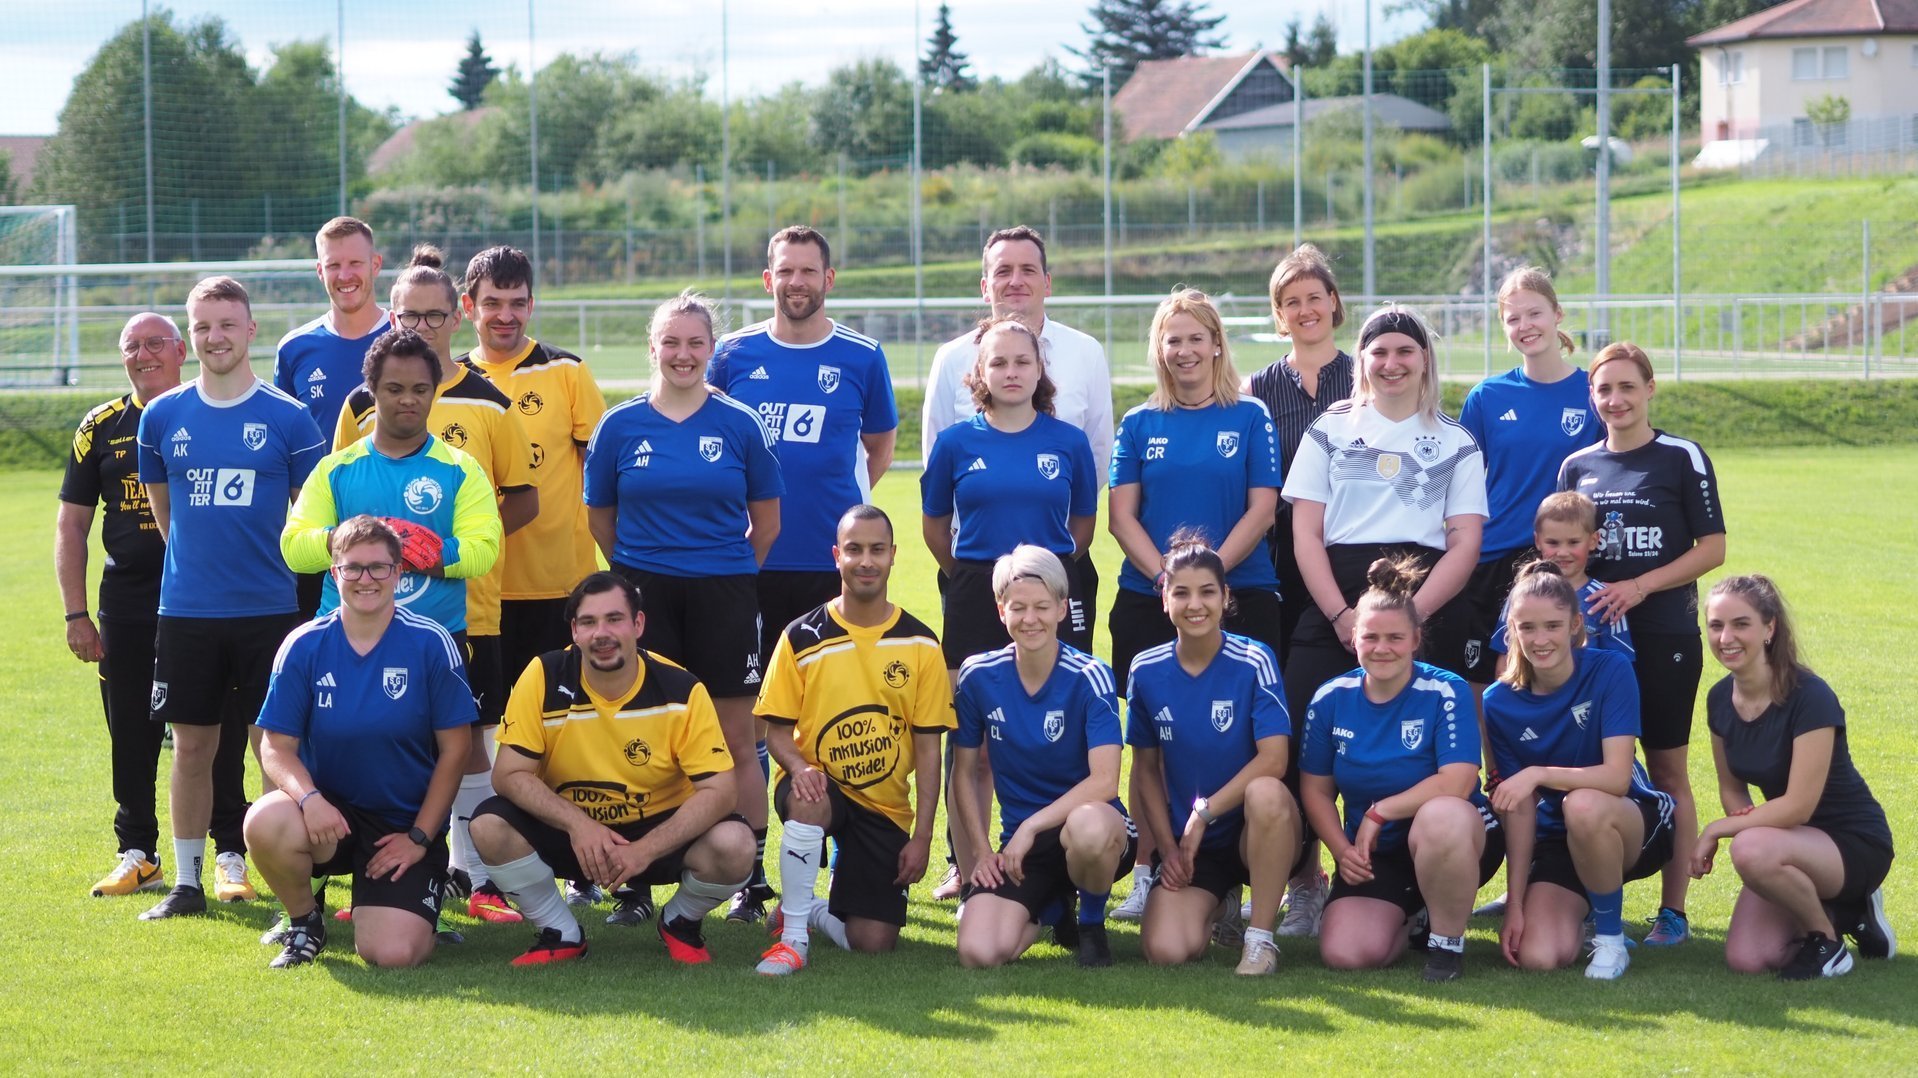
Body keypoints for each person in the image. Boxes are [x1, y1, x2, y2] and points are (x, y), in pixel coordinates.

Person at [334, 245, 539, 920]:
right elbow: (344, 505)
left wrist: (451, 552)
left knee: (471, 737)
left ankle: (472, 875)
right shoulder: (363, 402)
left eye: (435, 316)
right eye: (410, 315)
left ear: (458, 317)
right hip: (373, 616)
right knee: (389, 733)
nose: (422, 328)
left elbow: (521, 497)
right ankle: (384, 872)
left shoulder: (489, 400)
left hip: (467, 611)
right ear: (392, 316)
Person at [1278, 304, 1487, 940]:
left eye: (1405, 351)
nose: (1392, 364)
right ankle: (1307, 884)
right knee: (1298, 754)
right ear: (1361, 362)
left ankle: (1425, 887)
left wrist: (1407, 620)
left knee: (1426, 756)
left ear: (1425, 359)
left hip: (1423, 605)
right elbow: (1305, 533)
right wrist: (1344, 616)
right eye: (1379, 353)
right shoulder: (1329, 431)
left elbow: (1465, 544)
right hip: (1334, 603)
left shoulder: (1455, 441)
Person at [708, 225, 898, 922]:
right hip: (747, 565)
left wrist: (835, 516)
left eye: (808, 271)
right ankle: (751, 875)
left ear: (829, 278)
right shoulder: (732, 355)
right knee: (750, 723)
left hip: (832, 572)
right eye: (784, 271)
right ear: (768, 280)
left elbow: (876, 447)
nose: (796, 282)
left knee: (840, 720)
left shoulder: (861, 356)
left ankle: (851, 866)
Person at [584, 290, 782, 922]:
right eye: (671, 342)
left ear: (711, 350)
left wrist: (724, 574)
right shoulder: (620, 425)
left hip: (724, 590)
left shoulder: (738, 423)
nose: (684, 354)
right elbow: (601, 517)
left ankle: (750, 879)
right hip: (644, 594)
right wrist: (640, 574)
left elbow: (766, 522)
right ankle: (635, 880)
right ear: (653, 348)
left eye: (696, 343)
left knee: (735, 735)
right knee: (646, 733)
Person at [136, 276, 327, 920]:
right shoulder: (162, 417)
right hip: (187, 611)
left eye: (227, 324)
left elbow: (310, 516)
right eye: (203, 327)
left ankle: (287, 888)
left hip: (270, 613)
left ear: (251, 331)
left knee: (271, 748)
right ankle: (188, 881)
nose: (215, 337)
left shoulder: (289, 419)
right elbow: (169, 520)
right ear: (191, 339)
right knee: (192, 747)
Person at [468, 572, 756, 966]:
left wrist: (645, 851)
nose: (601, 633)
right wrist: (579, 825)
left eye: (614, 619)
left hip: (657, 830)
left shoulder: (681, 689)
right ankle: (560, 932)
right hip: (574, 833)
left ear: (638, 624)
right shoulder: (544, 675)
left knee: (736, 845)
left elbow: (722, 790)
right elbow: (508, 774)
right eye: (588, 622)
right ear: (574, 630)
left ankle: (680, 921)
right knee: (488, 825)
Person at [1108, 289, 1284, 928]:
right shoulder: (1139, 423)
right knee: (1149, 743)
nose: (1184, 350)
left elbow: (1262, 509)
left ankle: (1235, 875)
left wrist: (1205, 582)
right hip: (1147, 595)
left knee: (1241, 741)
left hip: (1243, 592)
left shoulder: (1250, 416)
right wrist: (1169, 582)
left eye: (1194, 337)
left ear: (1216, 343)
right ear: (1159, 348)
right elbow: (1120, 515)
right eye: (1171, 339)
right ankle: (1149, 870)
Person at [245, 516, 474, 968]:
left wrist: (419, 838)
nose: (365, 579)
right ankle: (305, 921)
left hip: (401, 824)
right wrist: (309, 799)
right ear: (335, 574)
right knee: (264, 819)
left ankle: (415, 902)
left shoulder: (431, 643)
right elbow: (275, 746)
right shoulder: (303, 645)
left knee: (390, 954)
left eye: (378, 568)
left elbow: (457, 751)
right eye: (353, 568)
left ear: (399, 573)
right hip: (328, 818)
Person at [58, 312, 233, 897]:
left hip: (207, 599)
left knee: (220, 727)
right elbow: (72, 525)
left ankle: (229, 851)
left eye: (156, 343)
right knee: (130, 729)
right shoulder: (100, 425)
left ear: (181, 349)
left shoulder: (211, 413)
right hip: (129, 605)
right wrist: (76, 614)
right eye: (132, 346)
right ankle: (138, 850)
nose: (144, 354)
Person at [923, 319, 1099, 894]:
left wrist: (1043, 586)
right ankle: (969, 861)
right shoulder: (955, 443)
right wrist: (978, 581)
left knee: (1055, 729)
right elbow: (933, 526)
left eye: (1022, 362)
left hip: (1047, 595)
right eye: (998, 363)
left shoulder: (1067, 441)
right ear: (980, 373)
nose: (1011, 372)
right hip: (976, 593)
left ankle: (1052, 858)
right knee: (972, 738)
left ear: (1039, 368)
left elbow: (1083, 525)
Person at [1558, 341, 1726, 947]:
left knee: (1665, 768)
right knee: (1586, 768)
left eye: (1628, 387)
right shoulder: (1577, 465)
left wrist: (1638, 586)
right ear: (1592, 397)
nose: (1616, 399)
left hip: (1664, 636)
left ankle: (1672, 911)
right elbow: (1563, 546)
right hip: (1593, 643)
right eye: (1604, 390)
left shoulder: (1680, 456)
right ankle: (1577, 895)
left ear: (1649, 389)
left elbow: (1712, 549)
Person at [753, 505, 952, 976]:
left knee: (873, 942)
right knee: (811, 797)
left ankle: (807, 911)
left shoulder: (921, 644)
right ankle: (793, 941)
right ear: (837, 555)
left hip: (884, 805)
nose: (867, 561)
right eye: (856, 550)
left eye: (877, 550)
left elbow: (929, 751)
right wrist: (800, 768)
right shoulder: (801, 636)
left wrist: (922, 837)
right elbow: (776, 733)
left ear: (893, 556)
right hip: (816, 786)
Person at [1300, 556, 1503, 982]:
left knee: (1440, 814)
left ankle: (1446, 945)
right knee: (1348, 953)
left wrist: (1380, 811)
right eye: (1371, 636)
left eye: (1395, 637)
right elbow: (1315, 791)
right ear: (1353, 638)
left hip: (1454, 837)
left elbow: (1459, 780)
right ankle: (1413, 913)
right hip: (1378, 853)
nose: (1382, 647)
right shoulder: (1330, 698)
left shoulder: (1445, 689)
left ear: (1415, 639)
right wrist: (1341, 850)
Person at [1239, 242, 1356, 937]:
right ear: (1278, 316)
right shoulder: (1257, 389)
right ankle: (1304, 881)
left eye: (1316, 298)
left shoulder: (1366, 373)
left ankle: (1369, 871)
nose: (1306, 311)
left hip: (1358, 568)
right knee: (1295, 724)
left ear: (1334, 303)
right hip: (1282, 572)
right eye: (1291, 303)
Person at [1693, 575, 1895, 980]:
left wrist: (1721, 828)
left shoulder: (1810, 695)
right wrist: (1745, 819)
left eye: (1740, 624)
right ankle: (1847, 912)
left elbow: (1799, 804)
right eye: (1716, 626)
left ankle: (1827, 941)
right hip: (1786, 838)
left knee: (1749, 849)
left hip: (1850, 840)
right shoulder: (1719, 698)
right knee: (1748, 958)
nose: (1725, 637)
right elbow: (1732, 786)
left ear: (1769, 628)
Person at [1482, 562, 1674, 980]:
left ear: (1575, 624)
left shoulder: (1610, 670)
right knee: (1539, 956)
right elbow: (1519, 809)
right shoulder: (1497, 701)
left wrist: (1537, 773)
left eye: (1552, 626)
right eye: (1526, 627)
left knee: (1583, 805)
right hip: (1558, 839)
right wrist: (1515, 905)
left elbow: (1617, 778)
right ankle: (1585, 910)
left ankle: (1609, 939)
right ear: (1511, 630)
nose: (1539, 639)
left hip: (1632, 820)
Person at [923, 225, 1114, 640]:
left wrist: (1053, 563)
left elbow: (1097, 459)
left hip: (1057, 565)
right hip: (975, 567)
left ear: (1047, 282)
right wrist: (970, 570)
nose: (1015, 280)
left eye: (1028, 269)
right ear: (984, 285)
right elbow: (936, 458)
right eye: (1003, 270)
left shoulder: (1085, 352)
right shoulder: (951, 357)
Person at [1124, 533, 1300, 975]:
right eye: (1180, 592)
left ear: (1225, 597)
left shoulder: (1254, 659)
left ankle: (1260, 941)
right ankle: (1218, 905)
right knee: (1165, 950)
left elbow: (1274, 760)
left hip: (1255, 832)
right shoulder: (1145, 670)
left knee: (1266, 793)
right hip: (1191, 845)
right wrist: (1169, 848)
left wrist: (1201, 816)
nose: (1194, 604)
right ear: (1164, 598)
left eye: (1207, 592)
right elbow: (1145, 770)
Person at [952, 546, 1133, 969]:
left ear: (1062, 609)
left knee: (1088, 827)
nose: (1029, 618)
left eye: (1041, 606)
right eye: (1018, 607)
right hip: (1022, 848)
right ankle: (1053, 907)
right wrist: (982, 853)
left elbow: (1105, 782)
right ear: (1001, 611)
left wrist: (1031, 826)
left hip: (1095, 830)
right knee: (979, 953)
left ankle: (1089, 924)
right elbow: (964, 774)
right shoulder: (977, 676)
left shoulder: (1090, 675)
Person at [457, 245, 607, 701]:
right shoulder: (453, 383)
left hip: (559, 589)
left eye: (517, 303)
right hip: (476, 594)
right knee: (481, 730)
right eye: (492, 303)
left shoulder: (567, 372)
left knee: (561, 730)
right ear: (468, 307)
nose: (506, 315)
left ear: (531, 305)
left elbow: (605, 479)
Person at [1458, 267, 1600, 691]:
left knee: (1562, 680)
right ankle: (1496, 761)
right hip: (1493, 556)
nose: (1525, 326)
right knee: (1489, 681)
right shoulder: (1487, 397)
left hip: (1564, 556)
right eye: (1513, 318)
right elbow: (1460, 484)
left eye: (1534, 313)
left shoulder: (1592, 393)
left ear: (1557, 315)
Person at [275, 217, 391, 619]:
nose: (345, 276)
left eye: (355, 264)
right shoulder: (295, 348)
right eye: (334, 265)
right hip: (323, 536)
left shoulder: (407, 335)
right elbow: (284, 447)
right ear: (319, 270)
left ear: (375, 264)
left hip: (397, 528)